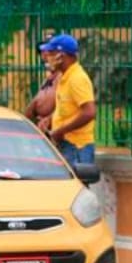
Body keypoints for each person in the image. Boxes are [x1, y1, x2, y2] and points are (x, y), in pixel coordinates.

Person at [40, 33, 97, 167]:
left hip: (77, 148)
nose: (47, 57)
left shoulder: (77, 79)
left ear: (61, 56)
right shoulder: (65, 77)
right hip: (68, 146)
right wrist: (50, 119)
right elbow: (68, 109)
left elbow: (89, 112)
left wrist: (60, 131)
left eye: (51, 53)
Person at [25, 48, 59, 130]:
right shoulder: (49, 79)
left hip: (58, 131)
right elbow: (36, 102)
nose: (44, 55)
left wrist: (49, 119)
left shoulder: (64, 78)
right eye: (42, 53)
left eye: (49, 52)